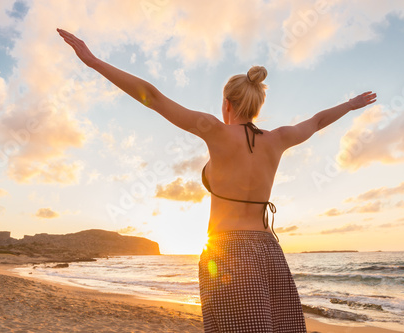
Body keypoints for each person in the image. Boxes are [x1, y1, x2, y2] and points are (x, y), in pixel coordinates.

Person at [57, 28, 376, 332]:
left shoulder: (215, 130)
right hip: (270, 253)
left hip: (227, 253)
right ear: (257, 104)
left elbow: (152, 97)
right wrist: (350, 105)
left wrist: (94, 62)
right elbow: (318, 121)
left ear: (226, 103)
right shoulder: (279, 138)